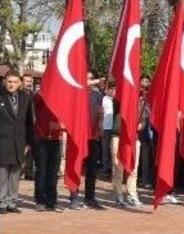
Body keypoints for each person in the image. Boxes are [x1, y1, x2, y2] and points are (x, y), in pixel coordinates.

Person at [70, 71, 106, 210]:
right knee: (77, 166)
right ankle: (73, 196)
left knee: (91, 169)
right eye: (86, 78)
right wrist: (98, 81)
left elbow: (100, 112)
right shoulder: (78, 91)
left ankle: (90, 198)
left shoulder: (97, 96)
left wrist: (101, 125)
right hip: (79, 136)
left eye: (90, 78)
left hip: (93, 136)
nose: (88, 80)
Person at [0, 71, 35, 214]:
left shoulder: (26, 98)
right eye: (9, 81)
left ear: (20, 83)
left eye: (14, 82)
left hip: (19, 141)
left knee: (15, 173)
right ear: (4, 82)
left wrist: (29, 142)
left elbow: (29, 122)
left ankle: (12, 201)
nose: (11, 84)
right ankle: (1, 202)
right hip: (2, 141)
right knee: (2, 173)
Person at [33, 91, 64, 212]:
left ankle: (52, 201)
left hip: (56, 138)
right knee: (41, 170)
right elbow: (35, 99)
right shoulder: (40, 95)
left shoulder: (60, 97)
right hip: (41, 138)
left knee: (53, 171)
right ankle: (40, 200)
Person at [108, 101, 143, 207]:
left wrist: (140, 124)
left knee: (133, 168)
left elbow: (142, 123)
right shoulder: (117, 101)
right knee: (118, 168)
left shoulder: (140, 104)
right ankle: (118, 195)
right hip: (118, 137)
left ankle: (132, 194)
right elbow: (116, 122)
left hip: (133, 139)